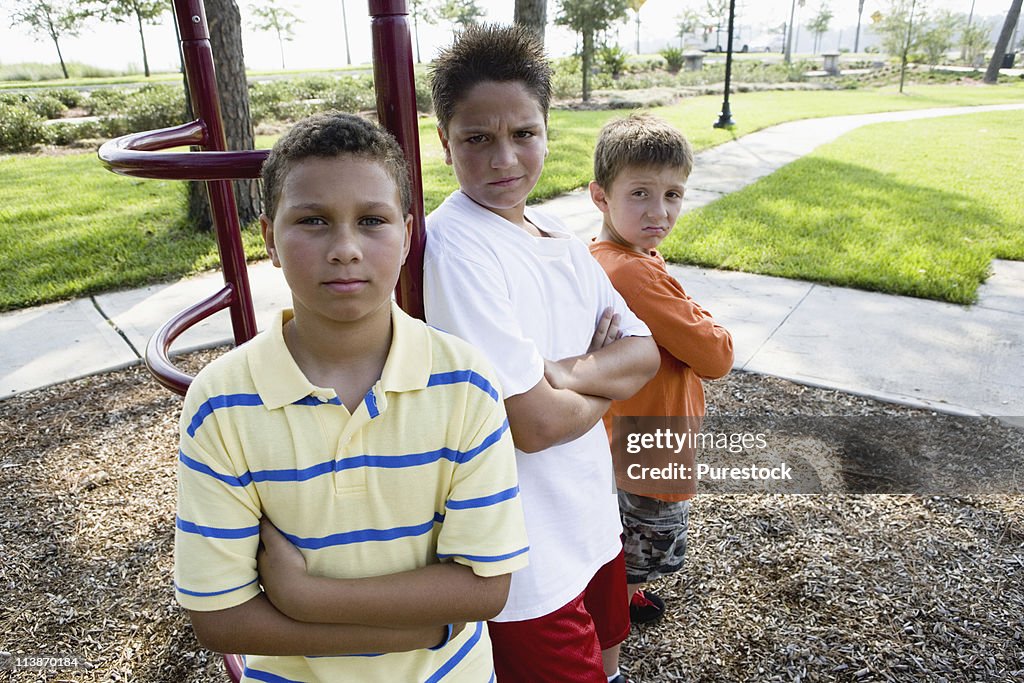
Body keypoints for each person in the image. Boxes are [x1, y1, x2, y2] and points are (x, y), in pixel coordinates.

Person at [173, 112, 529, 683]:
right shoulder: (223, 402)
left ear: (408, 234)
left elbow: (485, 587)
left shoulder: (465, 383)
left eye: (371, 220)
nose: (344, 248)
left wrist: (307, 597)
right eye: (313, 221)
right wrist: (420, 628)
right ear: (269, 238)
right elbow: (219, 619)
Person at [423, 24, 661, 683]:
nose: (505, 158)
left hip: (588, 515)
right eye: (478, 138)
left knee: (609, 659)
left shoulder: (553, 228)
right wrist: (601, 382)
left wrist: (560, 376)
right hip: (524, 551)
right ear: (445, 143)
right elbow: (532, 425)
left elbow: (646, 352)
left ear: (547, 130)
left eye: (524, 133)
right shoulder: (457, 248)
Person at [587, 113, 734, 625]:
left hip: (631, 432)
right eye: (641, 194)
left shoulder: (623, 256)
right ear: (600, 196)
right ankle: (617, 611)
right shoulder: (634, 272)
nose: (660, 211)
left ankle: (623, 596)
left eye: (673, 194)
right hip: (649, 444)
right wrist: (706, 322)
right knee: (642, 538)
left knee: (630, 529)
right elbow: (717, 356)